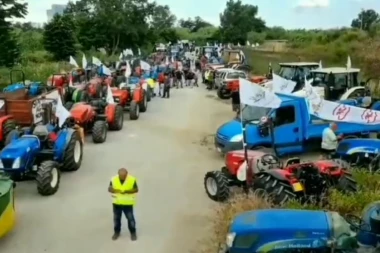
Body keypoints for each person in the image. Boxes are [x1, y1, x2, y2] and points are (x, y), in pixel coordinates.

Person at [108, 168, 139, 241]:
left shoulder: (132, 179)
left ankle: (133, 233)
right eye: (121, 176)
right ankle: (116, 232)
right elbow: (109, 188)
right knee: (116, 219)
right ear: (118, 175)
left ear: (126, 174)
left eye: (124, 176)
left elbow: (136, 189)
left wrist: (127, 191)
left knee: (130, 219)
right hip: (117, 203)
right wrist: (114, 190)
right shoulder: (114, 179)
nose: (123, 177)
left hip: (127, 204)